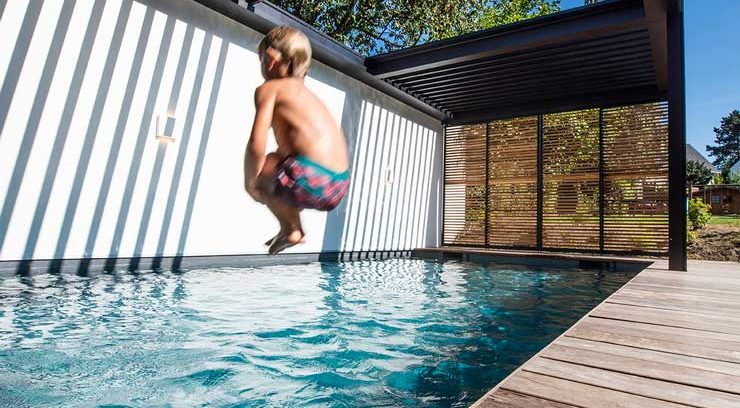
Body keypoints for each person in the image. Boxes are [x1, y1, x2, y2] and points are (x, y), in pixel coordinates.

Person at [244, 26, 350, 254]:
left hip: (310, 179)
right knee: (284, 161)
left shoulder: (269, 89)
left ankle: (292, 228)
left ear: (270, 59)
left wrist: (250, 182)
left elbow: (256, 145)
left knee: (268, 164)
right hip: (339, 185)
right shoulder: (309, 97)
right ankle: (290, 224)